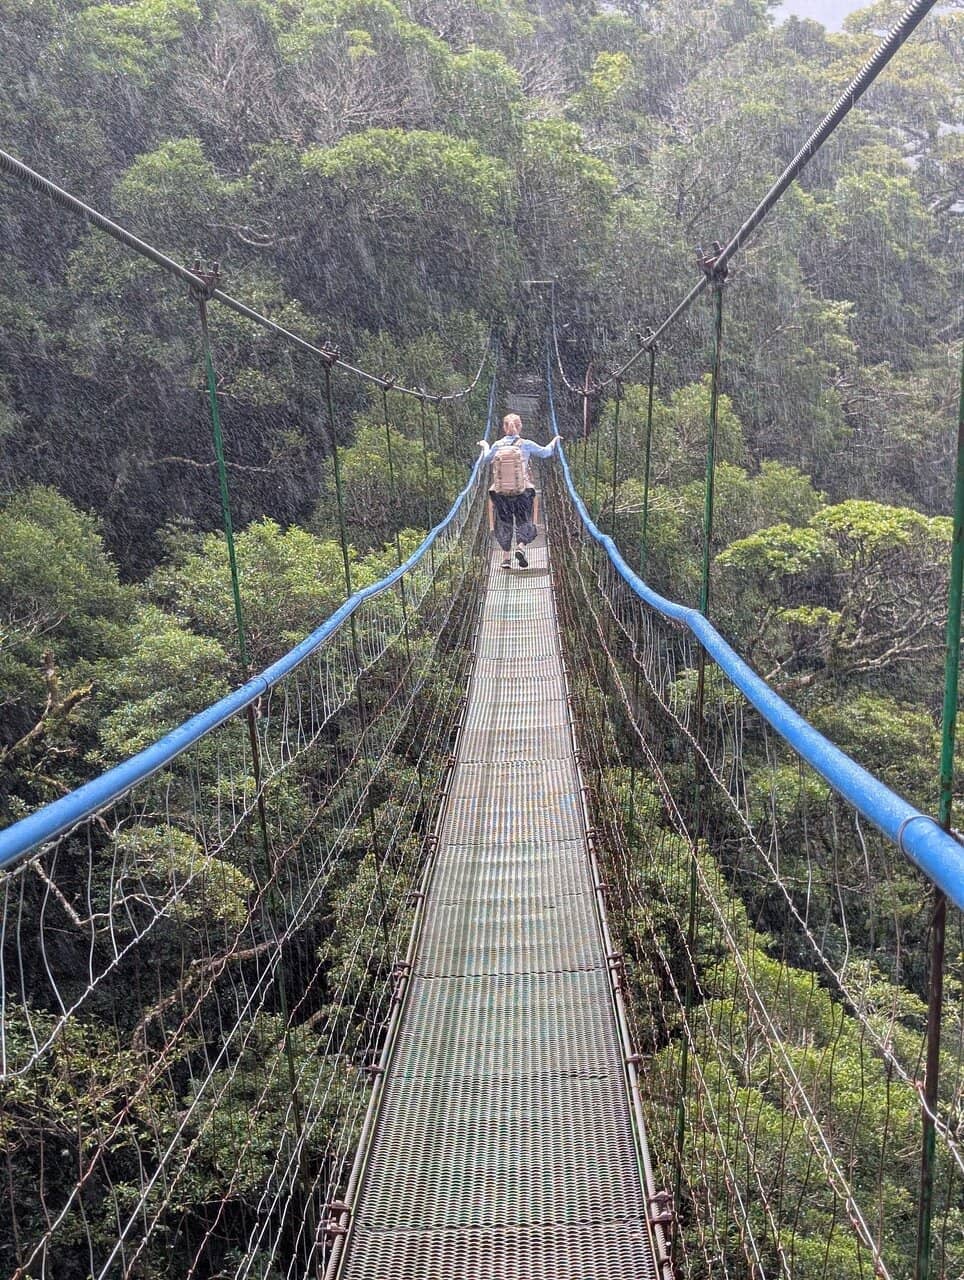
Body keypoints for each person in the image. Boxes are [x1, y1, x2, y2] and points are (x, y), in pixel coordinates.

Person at [477, 413, 562, 569]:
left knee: (504, 522)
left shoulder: (497, 445)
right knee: (524, 520)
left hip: (500, 493)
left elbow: (486, 459)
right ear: (520, 426)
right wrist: (554, 441)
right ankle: (521, 546)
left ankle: (506, 558)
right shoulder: (526, 444)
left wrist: (484, 446)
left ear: (504, 427)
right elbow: (546, 453)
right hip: (521, 492)